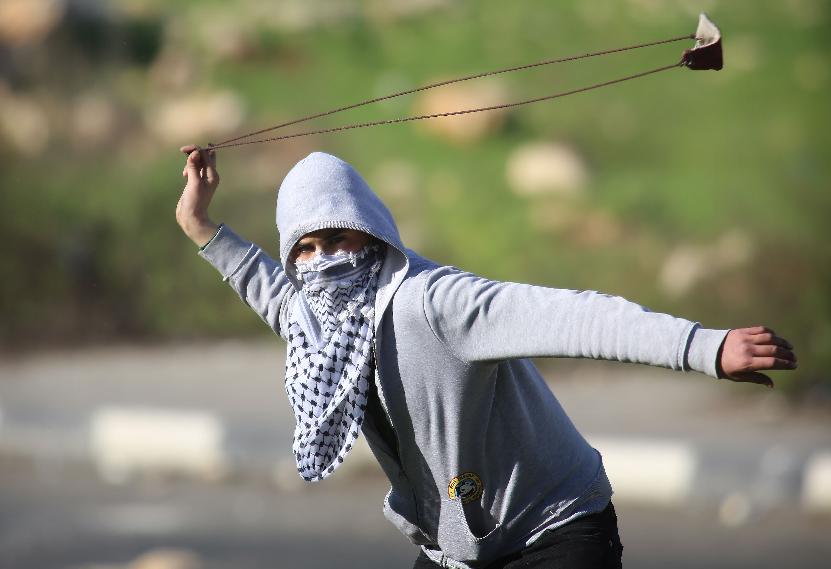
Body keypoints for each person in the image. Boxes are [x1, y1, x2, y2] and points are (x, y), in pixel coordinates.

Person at [176, 145, 797, 569]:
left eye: (336, 237)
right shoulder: (322, 325)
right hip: (459, 544)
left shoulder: (437, 303)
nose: (322, 261)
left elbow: (577, 316)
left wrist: (706, 348)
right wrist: (200, 223)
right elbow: (270, 290)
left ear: (370, 231)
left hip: (553, 527)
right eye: (305, 248)